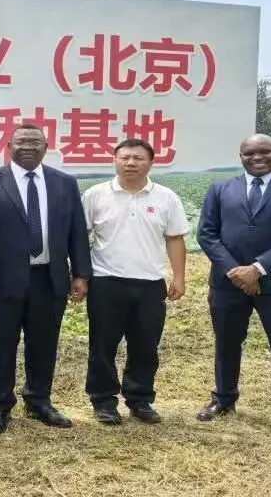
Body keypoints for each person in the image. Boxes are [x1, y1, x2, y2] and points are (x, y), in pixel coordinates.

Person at [0, 123, 91, 435]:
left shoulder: (64, 183)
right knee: (2, 344)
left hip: (49, 278)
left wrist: (81, 274)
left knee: (45, 343)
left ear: (46, 147)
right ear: (9, 146)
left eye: (36, 142)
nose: (29, 147)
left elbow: (77, 232)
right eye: (22, 142)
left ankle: (39, 401)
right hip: (1, 281)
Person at [195, 134, 271, 435]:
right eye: (249, 153)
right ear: (241, 157)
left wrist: (257, 269)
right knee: (226, 342)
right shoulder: (220, 189)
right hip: (227, 283)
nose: (257, 157)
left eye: (265, 151)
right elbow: (207, 234)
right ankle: (223, 398)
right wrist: (237, 272)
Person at [81, 138, 188, 426]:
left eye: (138, 158)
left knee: (146, 345)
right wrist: (79, 276)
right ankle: (103, 400)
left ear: (150, 163)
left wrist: (179, 277)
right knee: (102, 345)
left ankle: (140, 399)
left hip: (150, 283)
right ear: (114, 161)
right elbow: (80, 237)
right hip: (105, 282)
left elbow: (174, 238)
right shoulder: (95, 195)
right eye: (125, 157)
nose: (131, 163)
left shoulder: (166, 197)